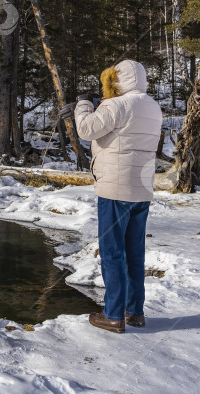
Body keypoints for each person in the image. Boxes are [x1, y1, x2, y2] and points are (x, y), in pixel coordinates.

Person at [59, 60, 163, 333]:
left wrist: (84, 104)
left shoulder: (117, 105)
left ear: (118, 80)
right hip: (141, 189)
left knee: (112, 252)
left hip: (116, 189)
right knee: (134, 252)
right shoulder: (152, 106)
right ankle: (134, 311)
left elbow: (86, 130)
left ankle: (114, 314)